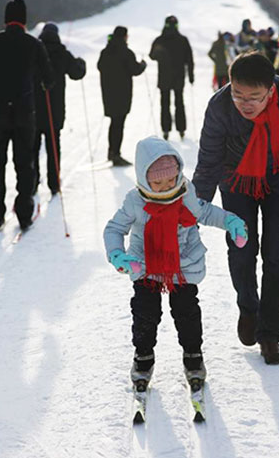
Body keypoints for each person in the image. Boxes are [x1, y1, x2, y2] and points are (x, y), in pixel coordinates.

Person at [192, 52, 279, 364]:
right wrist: (194, 206)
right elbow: (208, 161)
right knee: (242, 248)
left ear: (272, 90)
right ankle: (248, 306)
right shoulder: (219, 107)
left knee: (276, 252)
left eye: (254, 97)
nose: (245, 104)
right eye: (238, 94)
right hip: (237, 181)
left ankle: (270, 334)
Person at [103, 136, 248, 389]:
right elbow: (114, 228)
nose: (166, 186)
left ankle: (193, 355)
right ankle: (143, 357)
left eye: (171, 179)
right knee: (145, 314)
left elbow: (206, 212)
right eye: (158, 182)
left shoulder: (185, 192)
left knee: (187, 313)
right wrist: (118, 255)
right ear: (143, 178)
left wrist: (232, 222)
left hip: (183, 266)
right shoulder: (134, 201)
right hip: (145, 265)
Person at [0, 0, 54, 231]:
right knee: (24, 162)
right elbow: (50, 79)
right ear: (24, 19)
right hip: (24, 112)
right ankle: (24, 212)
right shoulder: (33, 44)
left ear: (6, 19)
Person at [33, 22, 86, 192]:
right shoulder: (62, 53)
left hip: (33, 109)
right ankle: (54, 184)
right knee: (53, 147)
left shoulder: (33, 52)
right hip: (54, 110)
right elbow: (76, 73)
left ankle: (33, 182)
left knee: (32, 147)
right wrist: (81, 63)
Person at [98, 26, 145, 166]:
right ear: (124, 36)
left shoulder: (105, 52)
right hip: (122, 94)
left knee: (114, 122)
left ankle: (112, 151)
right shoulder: (126, 52)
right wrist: (143, 65)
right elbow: (135, 70)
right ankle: (116, 154)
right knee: (119, 123)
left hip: (108, 94)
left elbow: (100, 66)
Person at [150, 15, 194, 140]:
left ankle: (165, 129)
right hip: (179, 77)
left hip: (164, 77)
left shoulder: (159, 40)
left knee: (164, 103)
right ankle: (181, 129)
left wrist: (160, 54)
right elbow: (189, 59)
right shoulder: (183, 40)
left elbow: (151, 55)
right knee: (179, 102)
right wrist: (191, 76)